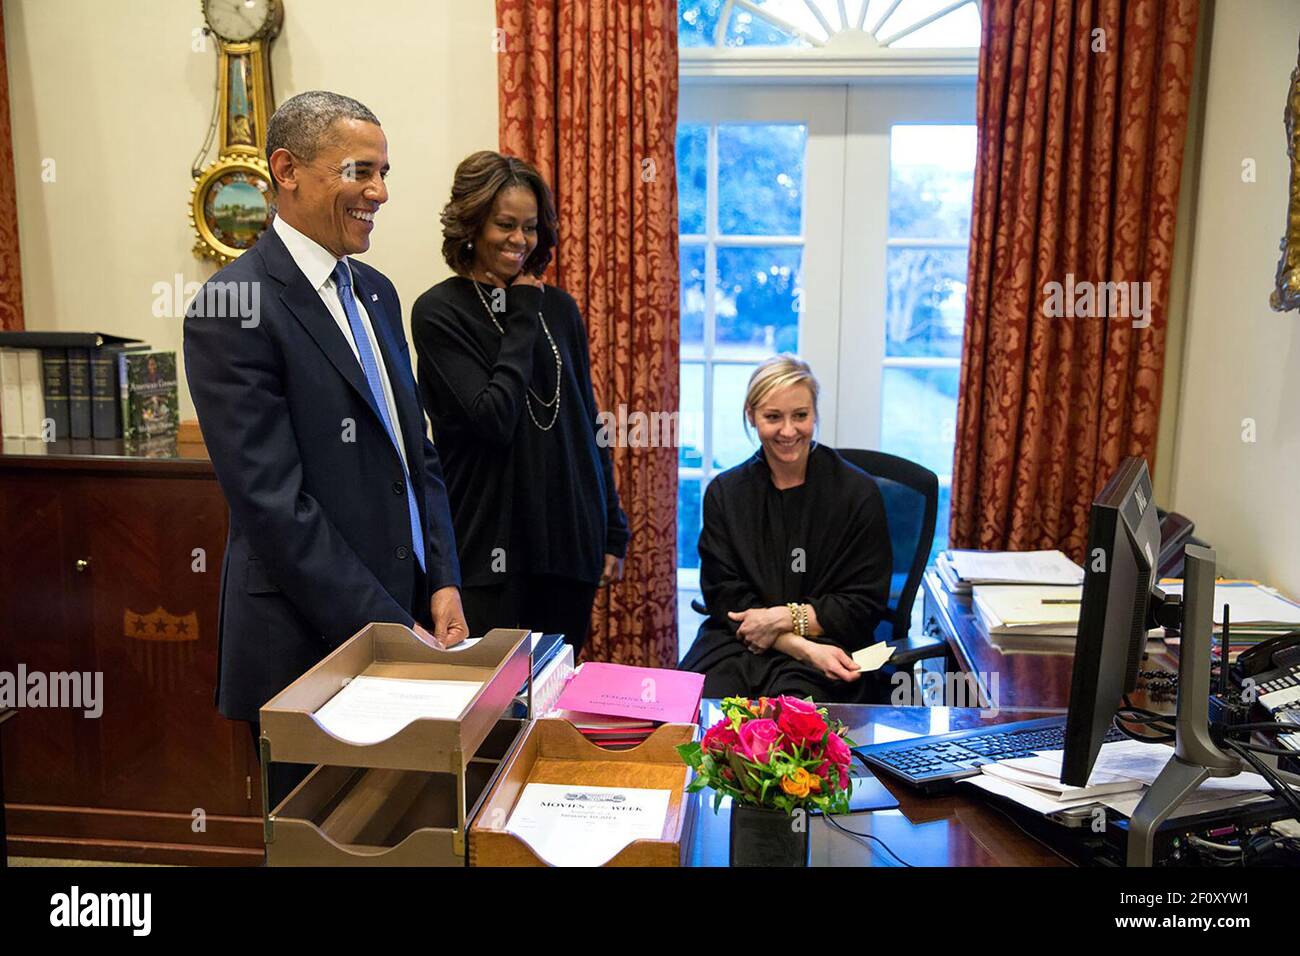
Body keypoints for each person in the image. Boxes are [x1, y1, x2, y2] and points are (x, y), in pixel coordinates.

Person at [184, 91, 468, 806]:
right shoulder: (232, 306)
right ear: (287, 169)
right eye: (360, 171)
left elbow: (417, 456)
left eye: (384, 173)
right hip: (307, 645)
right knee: (325, 842)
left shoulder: (376, 291)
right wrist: (387, 628)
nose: (379, 192)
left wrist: (443, 581)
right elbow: (274, 506)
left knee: (412, 832)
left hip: (410, 622)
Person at [410, 151, 628, 654]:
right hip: (488, 551)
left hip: (569, 546)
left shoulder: (561, 308)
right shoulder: (440, 312)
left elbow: (586, 419)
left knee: (553, 706)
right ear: (471, 225)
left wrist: (612, 528)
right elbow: (494, 418)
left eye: (529, 227)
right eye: (504, 225)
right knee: (492, 711)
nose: (519, 241)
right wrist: (522, 311)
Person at [680, 355, 892, 701]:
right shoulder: (725, 493)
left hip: (831, 645)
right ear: (751, 415)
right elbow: (725, 598)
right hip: (738, 643)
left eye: (801, 416)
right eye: (773, 417)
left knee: (792, 720)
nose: (789, 431)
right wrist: (797, 645)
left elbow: (862, 605)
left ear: (815, 413)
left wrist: (783, 618)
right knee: (702, 716)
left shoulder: (858, 493)